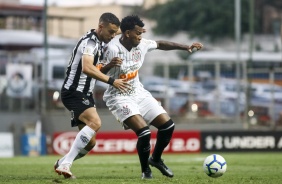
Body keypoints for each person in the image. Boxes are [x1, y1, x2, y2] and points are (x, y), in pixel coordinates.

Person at [99, 15, 203, 179]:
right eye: (138, 33)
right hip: (118, 96)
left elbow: (161, 44)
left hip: (139, 92)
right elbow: (96, 72)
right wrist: (109, 66)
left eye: (141, 33)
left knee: (168, 126)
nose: (140, 37)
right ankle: (146, 171)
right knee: (145, 133)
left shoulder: (142, 44)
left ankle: (155, 159)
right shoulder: (111, 48)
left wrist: (186, 47)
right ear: (127, 33)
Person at [54, 12, 130, 179]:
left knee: (90, 142)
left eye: (115, 33)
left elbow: (94, 70)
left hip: (85, 94)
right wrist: (112, 81)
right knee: (95, 122)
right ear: (101, 27)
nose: (112, 36)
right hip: (74, 92)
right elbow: (87, 68)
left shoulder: (99, 43)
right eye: (111, 32)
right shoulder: (89, 43)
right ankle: (66, 164)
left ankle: (62, 162)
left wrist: (109, 65)